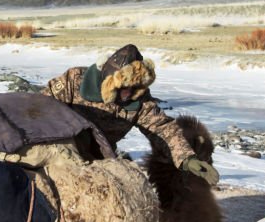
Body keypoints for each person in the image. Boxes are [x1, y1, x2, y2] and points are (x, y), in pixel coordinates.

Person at [42, 44, 218, 185]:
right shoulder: (73, 81)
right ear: (109, 81)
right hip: (61, 150)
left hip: (100, 159)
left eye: (135, 88)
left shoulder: (140, 101)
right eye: (124, 88)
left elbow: (163, 129)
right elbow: (40, 106)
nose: (128, 93)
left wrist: (187, 158)